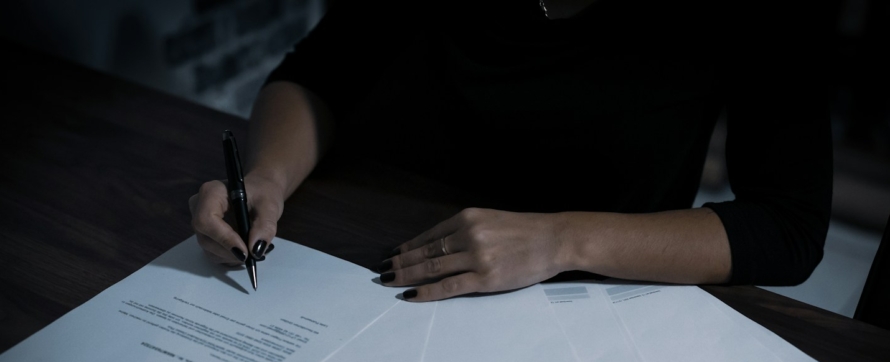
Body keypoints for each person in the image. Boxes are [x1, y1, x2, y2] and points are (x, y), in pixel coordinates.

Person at [189, 0, 834, 302]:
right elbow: (319, 73)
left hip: (594, 299)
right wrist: (267, 177)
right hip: (368, 257)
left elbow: (788, 226)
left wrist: (562, 240)